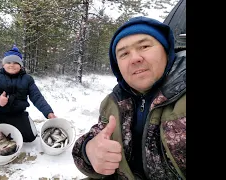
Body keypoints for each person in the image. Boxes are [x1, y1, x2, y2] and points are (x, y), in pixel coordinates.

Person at [72, 16, 186, 180]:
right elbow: (94, 141)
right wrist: (89, 150)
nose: (134, 58)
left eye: (145, 46)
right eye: (124, 53)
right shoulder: (114, 102)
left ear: (167, 51)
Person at [0, 45, 57, 142]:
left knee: (30, 137)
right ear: (3, 64)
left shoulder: (27, 79)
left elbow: (37, 97)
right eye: (8, 62)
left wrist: (48, 112)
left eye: (16, 62)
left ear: (21, 65)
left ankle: (21, 122)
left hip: (18, 114)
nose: (12, 65)